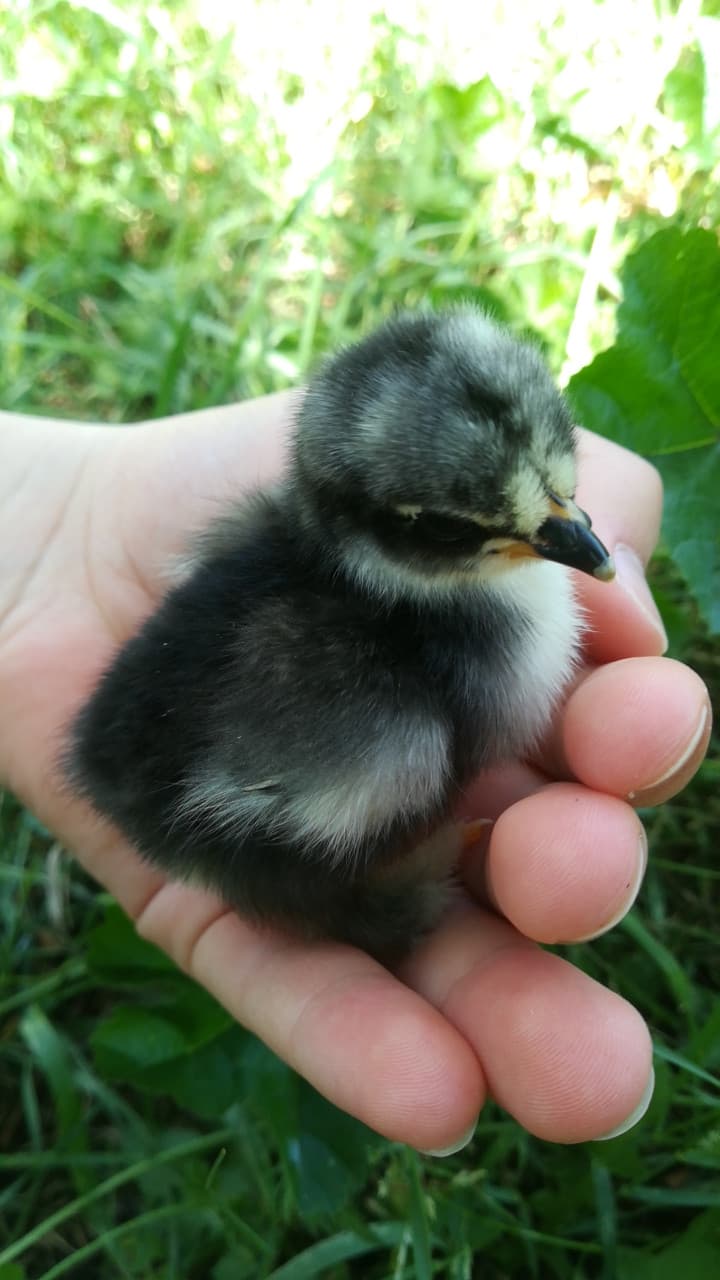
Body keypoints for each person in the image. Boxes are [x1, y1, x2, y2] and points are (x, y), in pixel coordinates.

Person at [0, 397, 710, 1155]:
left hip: (173, 745)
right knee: (379, 771)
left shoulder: (320, 555)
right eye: (460, 527)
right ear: (382, 528)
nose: (580, 539)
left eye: (564, 496)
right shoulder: (383, 708)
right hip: (215, 785)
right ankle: (356, 899)